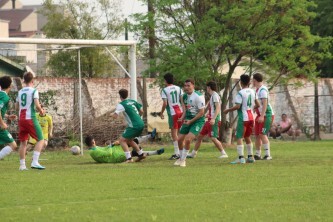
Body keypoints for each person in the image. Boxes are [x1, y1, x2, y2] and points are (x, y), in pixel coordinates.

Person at [187, 81, 228, 159]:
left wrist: (213, 118)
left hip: (213, 120)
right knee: (200, 136)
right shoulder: (213, 96)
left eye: (207, 87)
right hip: (209, 119)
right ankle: (193, 153)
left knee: (213, 137)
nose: (206, 89)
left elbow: (218, 107)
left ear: (209, 87)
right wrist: (206, 115)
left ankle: (224, 153)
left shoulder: (215, 96)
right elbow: (211, 108)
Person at [16, 72, 45, 170]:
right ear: (32, 81)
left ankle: (22, 165)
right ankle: (35, 162)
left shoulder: (20, 92)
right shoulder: (34, 91)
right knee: (41, 139)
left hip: (21, 119)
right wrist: (41, 111)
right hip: (30, 118)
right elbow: (37, 105)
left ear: (24, 80)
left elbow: (17, 106)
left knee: (23, 143)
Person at [224, 74, 255, 164]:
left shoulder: (240, 93)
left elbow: (238, 106)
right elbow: (257, 104)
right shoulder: (253, 92)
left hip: (244, 118)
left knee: (239, 137)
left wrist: (228, 110)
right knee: (247, 136)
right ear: (249, 82)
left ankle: (241, 158)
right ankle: (250, 157)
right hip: (251, 117)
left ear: (241, 82)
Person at [174, 79, 205, 167]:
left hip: (198, 120)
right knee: (179, 139)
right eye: (185, 86)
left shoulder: (199, 96)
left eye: (188, 85)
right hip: (187, 119)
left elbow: (202, 112)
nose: (186, 88)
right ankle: (180, 158)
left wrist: (191, 121)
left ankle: (183, 160)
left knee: (188, 139)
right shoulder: (183, 96)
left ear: (193, 86)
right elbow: (185, 110)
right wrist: (181, 118)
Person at [85, 130, 164, 163]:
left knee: (129, 141)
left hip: (115, 152)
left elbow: (105, 149)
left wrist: (112, 144)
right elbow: (108, 153)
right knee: (135, 152)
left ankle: (150, 136)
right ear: (93, 141)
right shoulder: (93, 152)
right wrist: (110, 146)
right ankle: (156, 152)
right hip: (116, 157)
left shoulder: (95, 148)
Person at [112, 89, 146, 163]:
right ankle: (141, 154)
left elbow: (115, 116)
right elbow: (142, 111)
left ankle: (129, 159)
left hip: (134, 125)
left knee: (121, 140)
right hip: (141, 123)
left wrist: (110, 115)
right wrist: (138, 118)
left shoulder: (121, 104)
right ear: (127, 95)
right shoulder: (132, 101)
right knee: (129, 140)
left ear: (120, 96)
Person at [159, 73, 183, 160]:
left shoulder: (165, 90)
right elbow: (182, 100)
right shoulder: (179, 88)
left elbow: (165, 103)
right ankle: (182, 152)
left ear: (165, 80)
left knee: (174, 134)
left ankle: (177, 153)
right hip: (181, 111)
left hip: (173, 113)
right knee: (181, 133)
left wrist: (161, 112)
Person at [252, 73, 274, 160]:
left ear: (255, 80)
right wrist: (255, 107)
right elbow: (260, 104)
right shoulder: (257, 90)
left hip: (266, 115)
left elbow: (265, 103)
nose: (252, 82)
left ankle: (268, 154)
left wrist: (262, 116)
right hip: (260, 115)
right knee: (257, 135)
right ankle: (258, 154)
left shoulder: (263, 90)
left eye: (253, 80)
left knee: (262, 134)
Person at [0, 76, 18, 161]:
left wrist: (7, 116)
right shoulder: (4, 97)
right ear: (10, 85)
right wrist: (2, 123)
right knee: (13, 145)